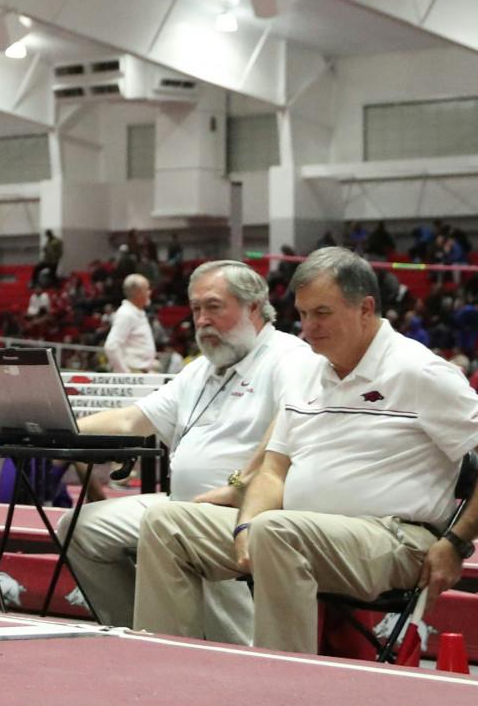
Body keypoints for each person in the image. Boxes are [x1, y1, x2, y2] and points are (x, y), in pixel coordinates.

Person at [133, 248, 478, 655]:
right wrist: (246, 523)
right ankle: (168, 666)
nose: (307, 328)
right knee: (168, 523)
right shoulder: (305, 371)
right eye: (303, 314)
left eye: (321, 314)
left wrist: (457, 543)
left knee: (277, 533)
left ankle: (283, 686)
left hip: (393, 538)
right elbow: (273, 471)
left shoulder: (417, 370)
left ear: (365, 309)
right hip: (298, 529)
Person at [58, 261, 308, 638]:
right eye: (195, 309)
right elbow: (131, 421)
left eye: (214, 307)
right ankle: (139, 631)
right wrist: (56, 425)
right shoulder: (202, 368)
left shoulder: (288, 356)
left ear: (254, 307)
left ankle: (233, 655)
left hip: (243, 508)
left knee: (181, 532)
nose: (202, 320)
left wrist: (241, 485)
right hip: (181, 502)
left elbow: (293, 422)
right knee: (80, 528)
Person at [103, 274, 156, 374]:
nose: (150, 292)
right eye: (147, 289)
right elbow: (111, 346)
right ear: (138, 293)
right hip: (133, 373)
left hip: (142, 371)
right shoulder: (126, 314)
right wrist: (125, 374)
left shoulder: (136, 312)